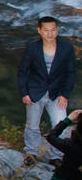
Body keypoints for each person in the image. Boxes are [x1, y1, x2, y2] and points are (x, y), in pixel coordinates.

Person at [18, 16, 76, 162]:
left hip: (57, 93)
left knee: (61, 123)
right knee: (32, 125)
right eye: (46, 30)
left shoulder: (67, 48)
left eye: (53, 30)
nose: (50, 33)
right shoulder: (32, 48)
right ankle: (31, 153)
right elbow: (23, 72)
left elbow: (71, 73)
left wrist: (65, 95)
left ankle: (57, 156)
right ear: (40, 31)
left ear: (57, 30)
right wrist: (24, 93)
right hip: (35, 92)